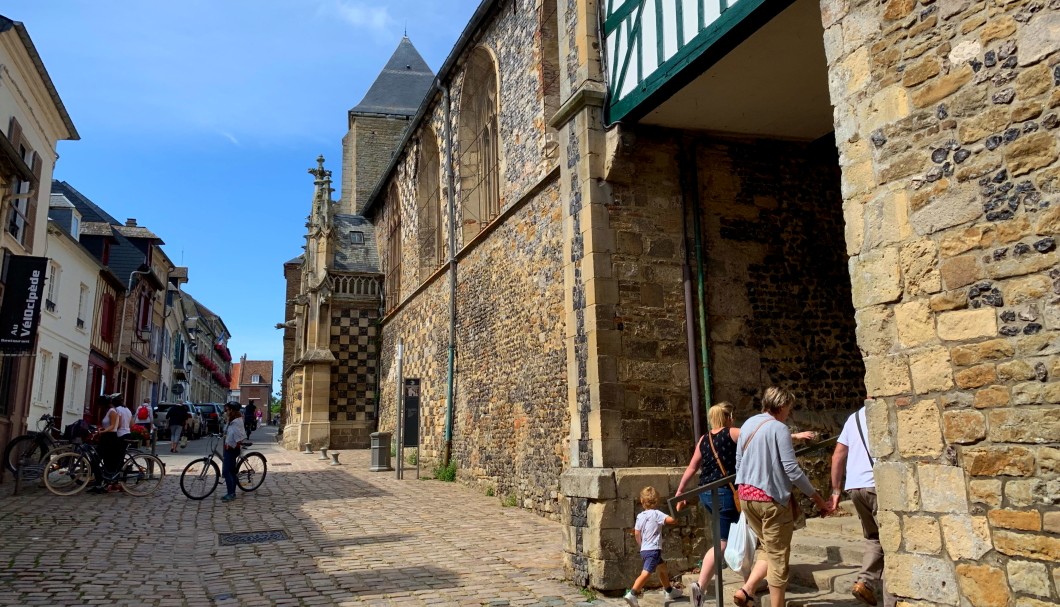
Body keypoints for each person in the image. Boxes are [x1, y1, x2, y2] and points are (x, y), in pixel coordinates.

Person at [676, 403, 818, 607]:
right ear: (729, 417)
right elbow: (763, 435)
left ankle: (747, 584)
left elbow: (692, 466)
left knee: (738, 536)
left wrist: (681, 491)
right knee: (729, 540)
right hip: (728, 493)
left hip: (707, 493)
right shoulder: (731, 432)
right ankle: (704, 584)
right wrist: (795, 437)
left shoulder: (703, 439)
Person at [733, 387, 831, 607]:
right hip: (771, 500)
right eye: (789, 407)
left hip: (747, 497)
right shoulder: (779, 428)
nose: (789, 411)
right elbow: (792, 469)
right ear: (782, 405)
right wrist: (817, 498)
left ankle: (747, 590)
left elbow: (738, 462)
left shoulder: (748, 423)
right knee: (778, 558)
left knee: (767, 548)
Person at [830, 406, 894, 607]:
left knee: (874, 538)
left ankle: (865, 582)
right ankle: (893, 600)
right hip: (876, 484)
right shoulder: (885, 411)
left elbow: (838, 455)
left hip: (855, 487)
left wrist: (836, 491)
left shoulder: (853, 418)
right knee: (892, 544)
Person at [624, 486, 682, 607]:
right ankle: (633, 594)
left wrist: (641, 545)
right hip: (654, 549)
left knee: (662, 568)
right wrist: (678, 507)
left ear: (641, 501)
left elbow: (636, 532)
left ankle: (669, 591)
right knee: (646, 573)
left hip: (645, 549)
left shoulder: (640, 516)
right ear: (657, 501)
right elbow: (673, 520)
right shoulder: (657, 514)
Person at [221, 401, 247, 502]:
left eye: (227, 410)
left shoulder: (236, 422)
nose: (226, 411)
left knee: (227, 471)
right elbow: (227, 431)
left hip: (232, 449)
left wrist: (232, 445)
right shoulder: (232, 420)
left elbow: (238, 437)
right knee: (231, 471)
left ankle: (231, 493)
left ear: (231, 410)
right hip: (229, 447)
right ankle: (232, 491)